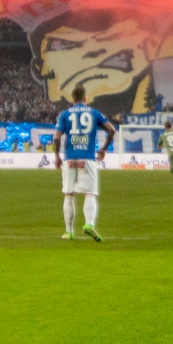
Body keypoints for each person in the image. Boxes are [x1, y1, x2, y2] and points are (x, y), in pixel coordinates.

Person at [55, 86, 117, 242]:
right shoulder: (94, 113)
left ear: (72, 99)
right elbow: (111, 130)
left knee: (69, 194)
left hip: (70, 158)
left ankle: (69, 232)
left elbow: (56, 137)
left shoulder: (64, 114)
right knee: (90, 192)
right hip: (87, 158)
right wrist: (103, 149)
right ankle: (89, 224)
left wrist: (57, 156)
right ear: (85, 98)